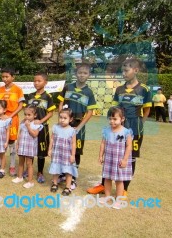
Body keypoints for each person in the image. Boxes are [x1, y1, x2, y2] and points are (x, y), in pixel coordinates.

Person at [87, 57, 151, 197]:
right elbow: (116, 108)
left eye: (126, 70)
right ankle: (104, 185)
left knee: (130, 157)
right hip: (117, 127)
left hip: (135, 126)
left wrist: (140, 123)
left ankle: (125, 189)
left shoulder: (144, 89)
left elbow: (147, 110)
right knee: (111, 153)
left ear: (136, 70)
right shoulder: (119, 89)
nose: (123, 73)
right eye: (122, 70)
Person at [57, 63, 97, 189]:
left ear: (89, 75)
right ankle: (63, 174)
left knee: (76, 152)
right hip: (65, 124)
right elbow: (60, 102)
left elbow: (90, 112)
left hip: (78, 126)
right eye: (80, 72)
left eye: (85, 73)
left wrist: (80, 126)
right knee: (63, 149)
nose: (82, 75)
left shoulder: (89, 92)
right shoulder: (68, 87)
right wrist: (61, 118)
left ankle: (73, 178)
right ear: (75, 74)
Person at [98, 107, 132, 209]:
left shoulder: (126, 132)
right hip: (109, 159)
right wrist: (100, 155)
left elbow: (129, 146)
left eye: (115, 119)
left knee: (119, 180)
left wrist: (125, 159)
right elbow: (103, 143)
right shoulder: (106, 131)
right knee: (107, 178)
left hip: (119, 160)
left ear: (122, 119)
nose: (112, 121)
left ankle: (118, 200)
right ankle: (107, 196)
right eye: (110, 119)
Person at [0, 67, 24, 176]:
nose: (5, 79)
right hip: (0, 119)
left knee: (11, 142)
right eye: (3, 77)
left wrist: (9, 116)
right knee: (1, 141)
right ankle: (0, 165)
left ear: (13, 77)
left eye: (7, 76)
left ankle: (11, 166)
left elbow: (21, 106)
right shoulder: (0, 89)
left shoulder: (18, 90)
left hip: (12, 119)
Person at [25, 71, 56, 183]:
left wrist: (40, 121)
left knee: (41, 151)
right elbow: (27, 111)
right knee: (30, 149)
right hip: (30, 128)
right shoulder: (30, 96)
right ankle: (28, 170)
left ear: (45, 82)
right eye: (35, 81)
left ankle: (40, 172)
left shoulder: (48, 96)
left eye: (39, 81)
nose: (36, 83)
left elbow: (51, 113)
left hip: (42, 128)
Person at [48, 108, 77, 196]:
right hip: (57, 153)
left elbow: (73, 144)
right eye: (60, 117)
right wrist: (50, 149)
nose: (62, 120)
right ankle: (55, 183)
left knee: (68, 171)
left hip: (67, 154)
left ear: (70, 119)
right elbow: (52, 139)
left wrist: (72, 155)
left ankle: (68, 187)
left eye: (65, 118)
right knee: (56, 169)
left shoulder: (72, 131)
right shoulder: (55, 128)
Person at [12, 106, 42, 189]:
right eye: (25, 114)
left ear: (35, 115)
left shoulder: (36, 124)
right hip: (22, 145)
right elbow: (20, 134)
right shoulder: (22, 123)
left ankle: (30, 181)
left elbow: (35, 134)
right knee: (21, 162)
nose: (27, 117)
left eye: (29, 115)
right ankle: (19, 177)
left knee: (29, 164)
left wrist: (28, 126)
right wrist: (17, 144)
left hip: (30, 147)